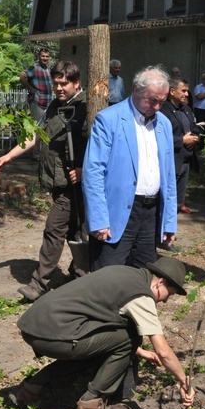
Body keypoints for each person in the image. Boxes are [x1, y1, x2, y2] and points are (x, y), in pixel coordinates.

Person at [10, 257, 195, 409]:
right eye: (168, 295)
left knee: (121, 341)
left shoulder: (125, 273)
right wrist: (183, 380)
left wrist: (139, 352)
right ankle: (90, 406)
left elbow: (99, 320)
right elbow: (163, 351)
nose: (165, 302)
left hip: (35, 324)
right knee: (130, 338)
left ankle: (33, 386)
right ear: (160, 283)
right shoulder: (141, 294)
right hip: (53, 334)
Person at [0, 61, 87, 302]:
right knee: (74, 228)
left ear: (76, 83)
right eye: (55, 83)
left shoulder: (87, 108)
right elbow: (35, 136)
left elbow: (100, 144)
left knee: (54, 229)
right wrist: (8, 156)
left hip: (74, 184)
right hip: (56, 181)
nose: (58, 88)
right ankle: (81, 274)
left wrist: (82, 167)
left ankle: (39, 283)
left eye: (63, 83)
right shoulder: (56, 106)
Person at [82, 65, 177, 271]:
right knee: (107, 278)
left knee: (143, 278)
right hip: (117, 213)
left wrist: (169, 222)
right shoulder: (108, 119)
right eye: (152, 100)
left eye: (162, 101)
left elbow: (169, 177)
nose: (158, 107)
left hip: (151, 215)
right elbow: (93, 173)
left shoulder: (164, 124)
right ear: (136, 91)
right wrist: (98, 219)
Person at [161, 78, 199, 214]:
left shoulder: (187, 109)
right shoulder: (162, 111)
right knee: (167, 198)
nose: (187, 94)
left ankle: (171, 230)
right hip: (171, 160)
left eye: (187, 91)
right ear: (172, 91)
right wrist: (181, 141)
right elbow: (159, 138)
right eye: (183, 91)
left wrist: (195, 137)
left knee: (178, 199)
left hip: (186, 161)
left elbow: (194, 127)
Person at [19, 48, 52, 161]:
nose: (45, 58)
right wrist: (31, 88)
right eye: (43, 56)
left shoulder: (48, 70)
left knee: (46, 129)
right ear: (39, 57)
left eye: (47, 57)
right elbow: (22, 76)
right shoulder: (34, 68)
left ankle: (43, 154)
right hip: (37, 102)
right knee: (37, 128)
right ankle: (36, 154)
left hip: (48, 103)